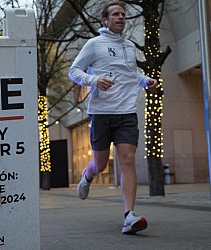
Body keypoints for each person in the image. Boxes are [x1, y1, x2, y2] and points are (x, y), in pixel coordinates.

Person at [68, 1, 158, 235]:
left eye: (123, 14)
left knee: (127, 159)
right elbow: (74, 71)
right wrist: (93, 80)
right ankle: (87, 176)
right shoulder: (94, 45)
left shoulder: (129, 46)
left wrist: (145, 80)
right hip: (101, 113)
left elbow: (131, 73)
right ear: (105, 20)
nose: (121, 17)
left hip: (126, 112)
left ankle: (129, 216)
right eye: (115, 14)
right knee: (101, 164)